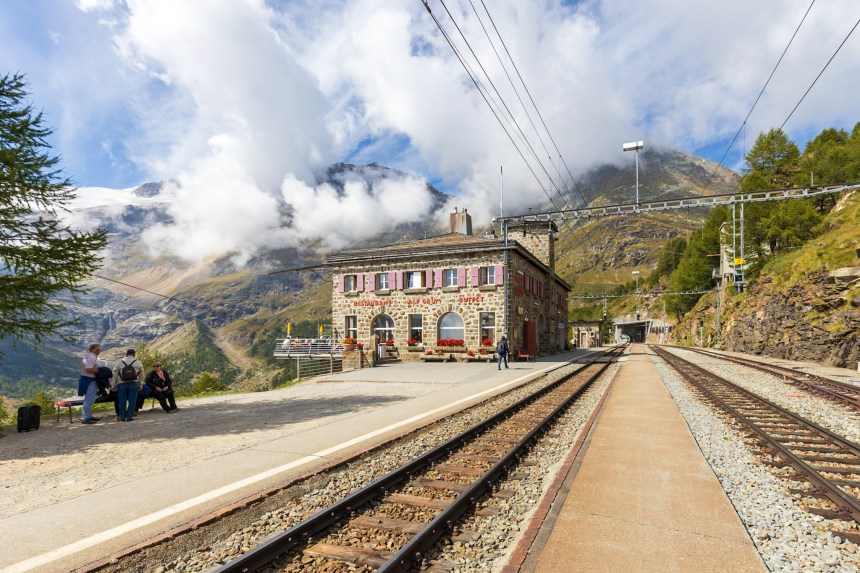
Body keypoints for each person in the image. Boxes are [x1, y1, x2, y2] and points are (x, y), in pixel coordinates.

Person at [112, 348, 143, 422]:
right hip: (134, 383)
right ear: (134, 354)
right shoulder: (138, 362)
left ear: (126, 354)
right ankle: (129, 416)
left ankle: (122, 416)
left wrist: (113, 385)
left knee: (122, 400)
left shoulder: (120, 362)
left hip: (121, 383)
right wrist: (140, 384)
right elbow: (142, 374)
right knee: (132, 400)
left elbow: (115, 373)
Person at [78, 343, 103, 424]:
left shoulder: (90, 356)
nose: (101, 350)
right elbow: (88, 369)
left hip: (90, 379)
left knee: (90, 398)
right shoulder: (91, 357)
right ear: (95, 349)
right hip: (89, 380)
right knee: (89, 399)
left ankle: (88, 415)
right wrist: (100, 370)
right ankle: (85, 417)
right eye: (100, 349)